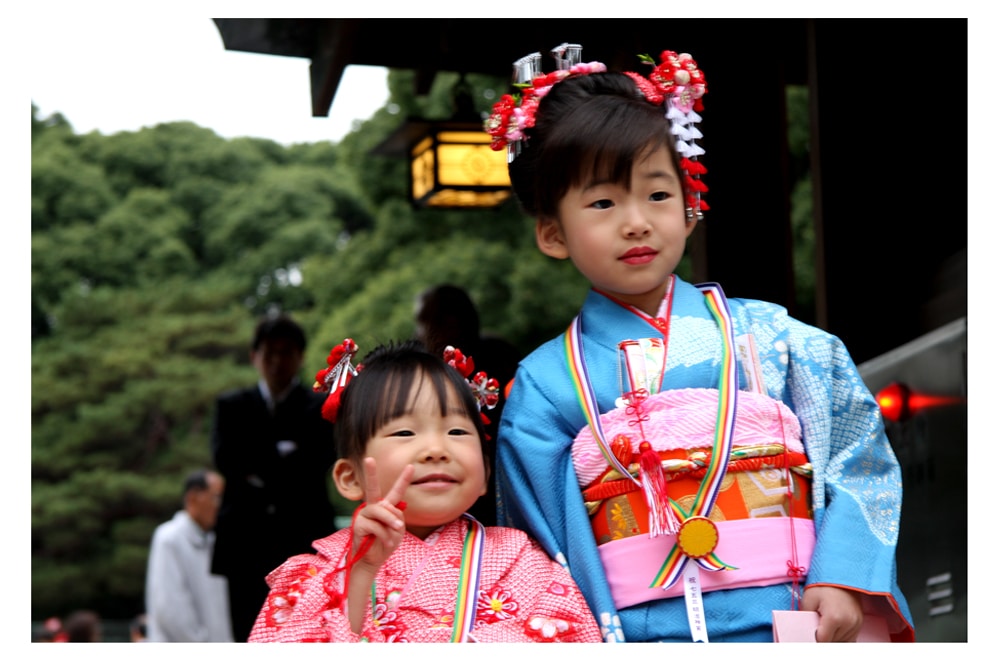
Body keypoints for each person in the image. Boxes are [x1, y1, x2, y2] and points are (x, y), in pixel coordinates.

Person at [488, 44, 915, 643]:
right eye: (603, 202)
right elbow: (541, 540)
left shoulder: (775, 338)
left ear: (691, 208)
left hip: (792, 611)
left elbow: (857, 454)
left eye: (658, 195)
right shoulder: (545, 382)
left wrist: (842, 575)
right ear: (554, 234)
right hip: (637, 633)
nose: (636, 220)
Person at [248, 339, 601, 642]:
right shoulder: (310, 577)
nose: (436, 449)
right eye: (404, 433)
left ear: (484, 475)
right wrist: (359, 580)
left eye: (458, 432)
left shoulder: (523, 562)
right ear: (350, 478)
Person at [210, 314, 338, 641]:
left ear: (300, 356)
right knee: (246, 631)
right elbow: (227, 461)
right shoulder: (231, 406)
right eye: (270, 353)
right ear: (255, 356)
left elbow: (319, 462)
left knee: (306, 630)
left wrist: (259, 461)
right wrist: (285, 457)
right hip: (243, 541)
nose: (278, 361)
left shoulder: (321, 407)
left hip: (302, 535)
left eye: (287, 352)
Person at [413, 284, 522, 525]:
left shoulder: (498, 355)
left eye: (427, 321)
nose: (420, 332)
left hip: (501, 479)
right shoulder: (420, 368)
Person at [145, 469, 233, 642]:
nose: (221, 506)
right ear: (193, 497)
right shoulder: (169, 538)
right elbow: (171, 608)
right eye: (216, 497)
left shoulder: (212, 541)